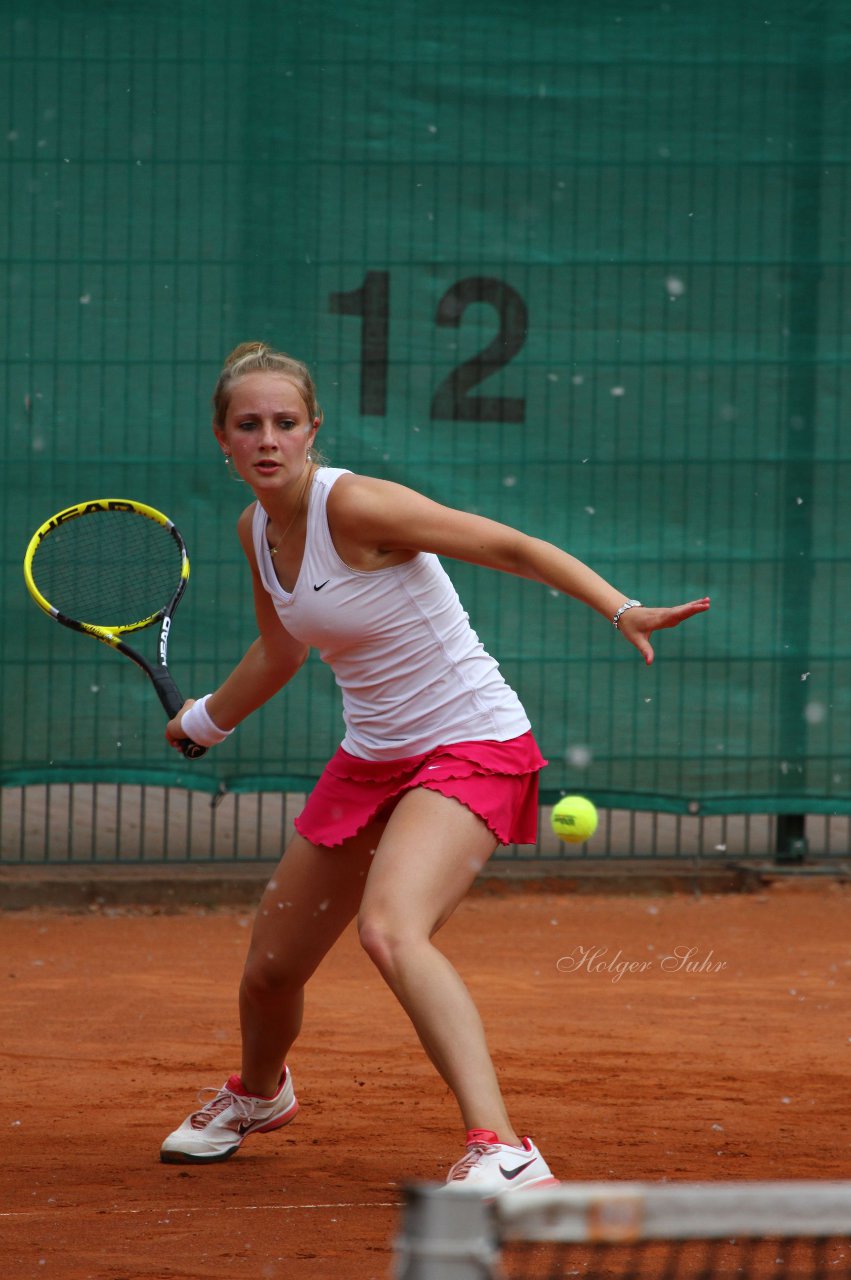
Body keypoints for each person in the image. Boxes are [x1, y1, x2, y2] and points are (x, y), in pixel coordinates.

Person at [159, 341, 710, 1195]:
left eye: (285, 422)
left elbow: (512, 544)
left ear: (313, 431)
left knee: (390, 929)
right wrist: (205, 720)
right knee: (271, 971)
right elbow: (280, 651)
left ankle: (503, 1149)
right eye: (248, 424)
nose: (268, 438)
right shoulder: (256, 530)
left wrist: (622, 606)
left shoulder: (362, 506)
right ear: (223, 440)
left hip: (470, 743)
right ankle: (260, 1097)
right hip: (372, 756)